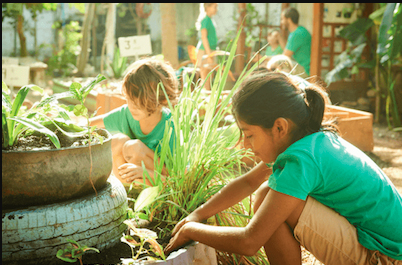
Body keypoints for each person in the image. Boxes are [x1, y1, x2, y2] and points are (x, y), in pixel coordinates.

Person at [164, 72, 402, 264]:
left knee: (269, 201)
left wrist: (192, 231)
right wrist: (197, 215)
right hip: (385, 246)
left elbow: (249, 241)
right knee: (267, 193)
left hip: (384, 257)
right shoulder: (308, 142)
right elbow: (248, 181)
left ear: (279, 128)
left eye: (249, 134)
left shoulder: (301, 160)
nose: (245, 144)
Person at [89, 58, 179, 187]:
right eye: (130, 100)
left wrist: (145, 172)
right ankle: (126, 190)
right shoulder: (127, 113)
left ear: (162, 100)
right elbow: (91, 124)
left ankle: (145, 193)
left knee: (134, 148)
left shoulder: (170, 125)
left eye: (141, 102)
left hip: (162, 184)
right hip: (134, 179)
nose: (133, 107)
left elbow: (177, 177)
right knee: (117, 141)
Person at [279, 7, 312, 76]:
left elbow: (285, 56)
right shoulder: (300, 30)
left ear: (289, 20)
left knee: (280, 70)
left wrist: (262, 58)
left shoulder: (296, 34)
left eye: (282, 19)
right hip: (305, 67)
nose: (281, 22)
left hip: (305, 70)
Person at [196, 3, 219, 91]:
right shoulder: (205, 20)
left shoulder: (210, 20)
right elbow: (204, 37)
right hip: (205, 51)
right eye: (215, 7)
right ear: (207, 7)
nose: (216, 9)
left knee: (209, 77)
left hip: (210, 50)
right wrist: (209, 54)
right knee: (205, 78)